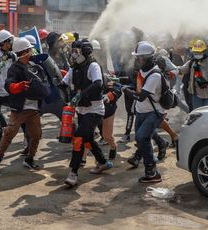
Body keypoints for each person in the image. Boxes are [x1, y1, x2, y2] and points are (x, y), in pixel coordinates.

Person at [62, 40, 113, 188]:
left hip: (95, 110)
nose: (73, 54)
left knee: (78, 138)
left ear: (84, 52)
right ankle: (103, 162)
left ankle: (73, 173)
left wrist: (80, 95)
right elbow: (64, 83)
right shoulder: (74, 68)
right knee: (88, 139)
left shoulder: (93, 66)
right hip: (81, 110)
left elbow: (97, 83)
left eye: (76, 51)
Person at [0, 37, 44, 171]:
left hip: (33, 109)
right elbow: (9, 85)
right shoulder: (15, 68)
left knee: (36, 135)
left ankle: (30, 159)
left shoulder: (33, 66)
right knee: (9, 134)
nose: (32, 51)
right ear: (25, 51)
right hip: (20, 109)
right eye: (29, 49)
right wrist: (19, 86)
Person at [123, 41, 164, 184]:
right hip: (141, 111)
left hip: (154, 112)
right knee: (141, 139)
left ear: (147, 58)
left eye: (139, 57)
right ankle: (161, 143)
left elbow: (141, 96)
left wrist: (125, 90)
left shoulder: (155, 75)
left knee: (142, 137)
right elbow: (137, 87)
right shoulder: (143, 71)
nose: (136, 60)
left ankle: (152, 171)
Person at [179, 39, 208, 110]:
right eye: (196, 52)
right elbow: (181, 69)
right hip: (196, 96)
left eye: (199, 52)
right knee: (198, 115)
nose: (197, 54)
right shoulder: (191, 62)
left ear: (204, 51)